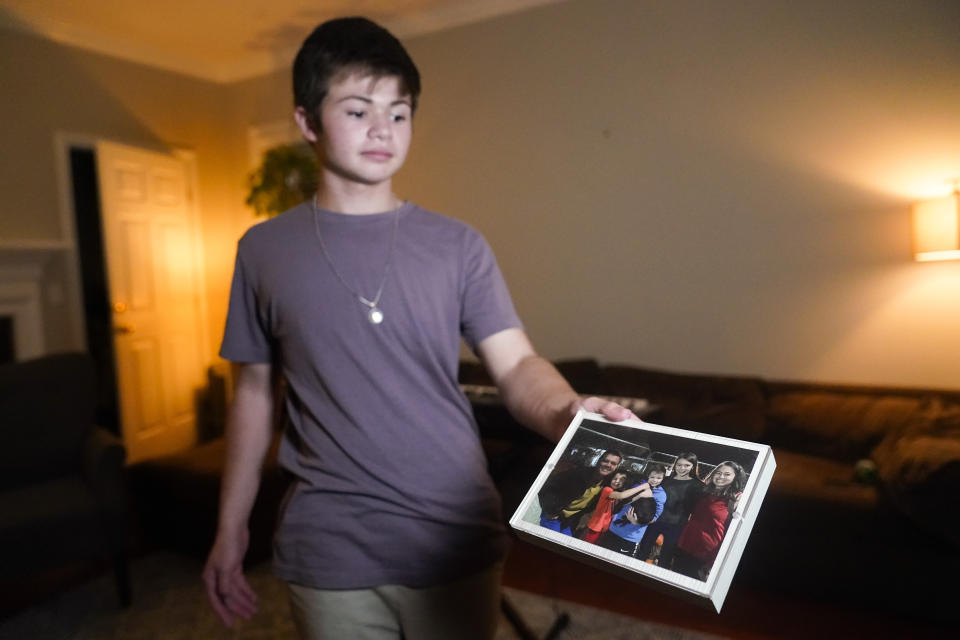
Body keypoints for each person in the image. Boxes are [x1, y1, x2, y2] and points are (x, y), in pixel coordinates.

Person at [200, 16, 635, 640]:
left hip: (453, 536)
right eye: (357, 110)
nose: (383, 130)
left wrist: (568, 410)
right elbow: (252, 394)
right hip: (329, 545)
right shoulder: (263, 251)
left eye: (398, 113)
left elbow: (514, 365)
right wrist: (231, 526)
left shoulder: (458, 245)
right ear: (306, 122)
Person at [673, 461, 747, 581]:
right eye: (718, 472)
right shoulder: (704, 492)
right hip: (684, 546)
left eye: (727, 474)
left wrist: (714, 563)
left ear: (735, 478)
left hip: (706, 555)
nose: (721, 477)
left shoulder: (736, 499)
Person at [636, 452, 704, 568]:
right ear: (675, 465)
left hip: (676, 525)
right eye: (679, 465)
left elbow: (697, 508)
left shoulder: (698, 485)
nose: (682, 468)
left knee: (665, 557)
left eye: (686, 465)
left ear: (693, 466)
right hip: (656, 521)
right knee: (643, 550)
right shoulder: (665, 480)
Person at [537, 449, 623, 536]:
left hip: (569, 521)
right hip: (554, 516)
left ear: (617, 467)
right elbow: (547, 486)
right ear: (599, 460)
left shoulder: (608, 483)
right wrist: (551, 510)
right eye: (605, 461)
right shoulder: (578, 473)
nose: (608, 465)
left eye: (613, 463)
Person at [596, 464, 667, 557]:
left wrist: (636, 522)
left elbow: (655, 517)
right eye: (652, 477)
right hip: (614, 529)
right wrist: (639, 494)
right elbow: (623, 501)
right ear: (648, 475)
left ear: (663, 478)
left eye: (658, 478)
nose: (655, 480)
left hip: (631, 536)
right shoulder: (638, 485)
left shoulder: (661, 495)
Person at [578, 470, 649, 544]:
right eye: (615, 479)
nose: (617, 481)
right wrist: (642, 487)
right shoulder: (607, 490)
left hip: (604, 528)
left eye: (621, 480)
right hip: (595, 527)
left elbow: (627, 499)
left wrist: (640, 495)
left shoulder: (618, 493)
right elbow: (622, 495)